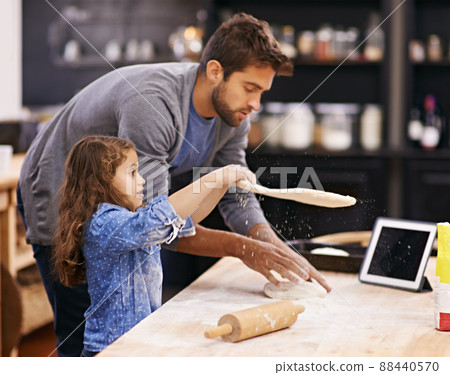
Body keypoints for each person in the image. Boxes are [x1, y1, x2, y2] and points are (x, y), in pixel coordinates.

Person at [18, 12, 331, 356]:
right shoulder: (154, 104)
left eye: (262, 92)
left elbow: (234, 192)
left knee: (134, 323)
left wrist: (267, 241)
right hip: (58, 187)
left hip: (128, 211)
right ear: (215, 72)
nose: (255, 105)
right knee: (85, 336)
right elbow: (154, 223)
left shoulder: (234, 115)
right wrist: (243, 248)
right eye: (250, 88)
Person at [53, 136, 255, 356]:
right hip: (110, 352)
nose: (141, 180)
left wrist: (221, 184)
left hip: (137, 344)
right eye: (132, 173)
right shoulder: (105, 224)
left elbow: (188, 217)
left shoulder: (131, 218)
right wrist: (214, 177)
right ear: (98, 183)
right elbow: (162, 217)